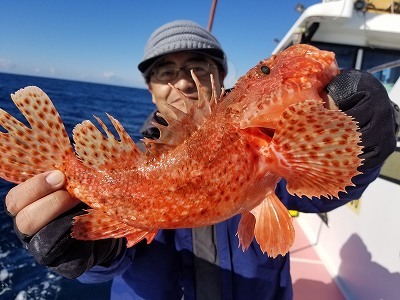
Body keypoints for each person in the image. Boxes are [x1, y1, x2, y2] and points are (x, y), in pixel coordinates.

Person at [4, 20, 399, 299]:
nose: (180, 81)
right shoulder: (136, 161)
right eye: (166, 72)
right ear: (151, 88)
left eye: (196, 68)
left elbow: (323, 193)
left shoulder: (270, 146)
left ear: (222, 77)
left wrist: (368, 143)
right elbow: (113, 258)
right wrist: (87, 254)